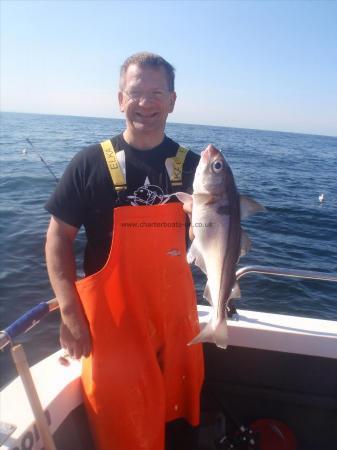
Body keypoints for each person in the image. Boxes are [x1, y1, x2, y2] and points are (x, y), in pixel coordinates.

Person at [45, 52, 204, 450]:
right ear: (120, 99)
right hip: (110, 334)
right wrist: (69, 314)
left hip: (177, 327)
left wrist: (203, 218)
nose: (146, 103)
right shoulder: (88, 164)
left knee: (178, 428)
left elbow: (218, 236)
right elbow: (57, 240)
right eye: (136, 93)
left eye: (156, 93)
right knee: (120, 431)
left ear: (172, 100)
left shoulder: (197, 169)